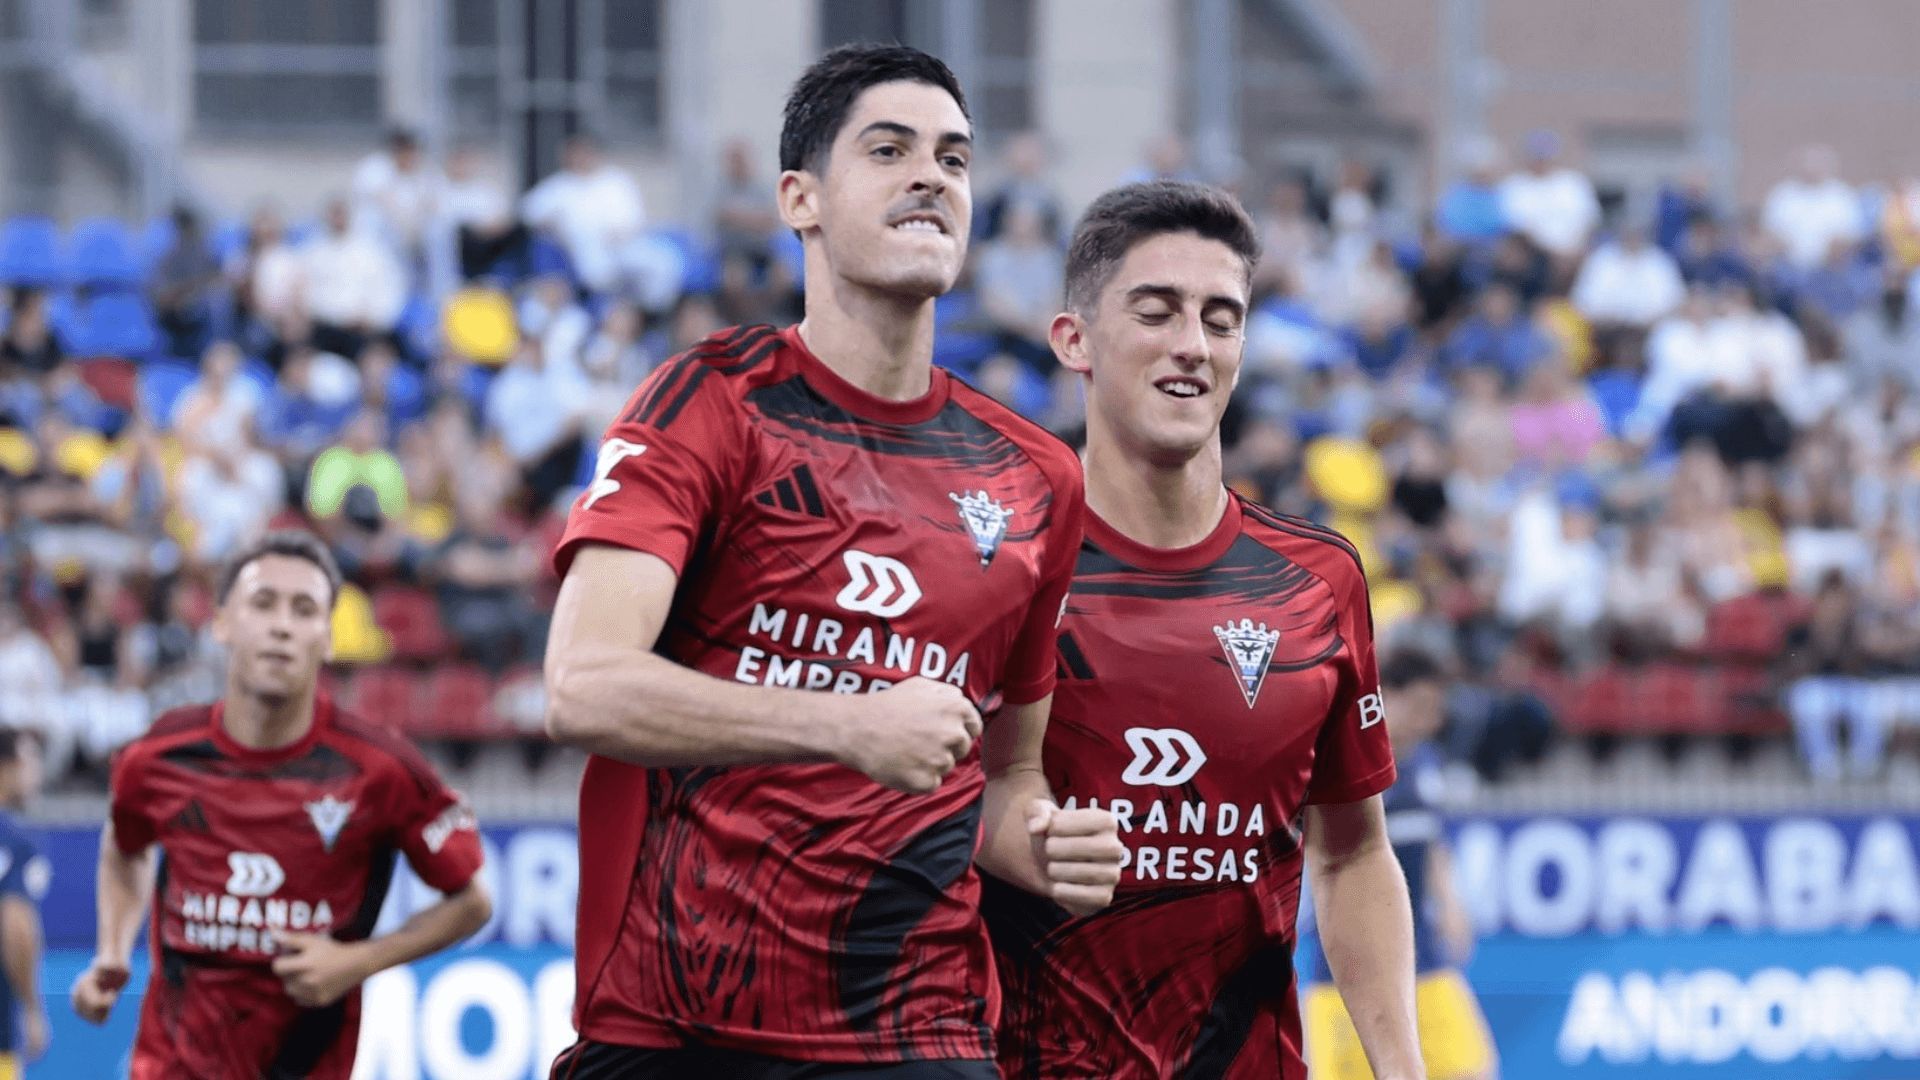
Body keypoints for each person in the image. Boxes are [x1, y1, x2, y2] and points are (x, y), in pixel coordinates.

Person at [542, 43, 1122, 1079]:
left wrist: (1039, 841)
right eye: (890, 150)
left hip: (922, 1036)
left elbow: (1004, 772)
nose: (930, 178)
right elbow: (582, 685)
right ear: (799, 198)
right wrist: (846, 724)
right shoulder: (710, 401)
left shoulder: (1039, 477)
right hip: (681, 1035)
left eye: (954, 158)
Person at [982, 180, 1423, 1079]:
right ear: (1074, 340)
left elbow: (1354, 852)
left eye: (1222, 320)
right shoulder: (999, 561)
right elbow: (913, 811)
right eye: (1157, 312)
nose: (1193, 344)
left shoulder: (1319, 579)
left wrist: (1402, 1069)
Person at [70, 531, 491, 1078]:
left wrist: (356, 962)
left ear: (329, 638)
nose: (282, 625)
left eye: (305, 609)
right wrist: (112, 949)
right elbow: (125, 845)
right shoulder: (156, 758)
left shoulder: (381, 770)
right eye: (263, 603)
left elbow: (472, 901)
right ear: (222, 623)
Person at [1303, 651, 1498, 1080]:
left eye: (1436, 710)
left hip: (1425, 961)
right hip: (1344, 974)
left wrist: (1450, 903)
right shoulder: (1335, 761)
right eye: (1421, 706)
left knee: (1475, 1069)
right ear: (1384, 696)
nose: (1430, 721)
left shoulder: (1427, 762)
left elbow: (1432, 843)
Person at [0, 728, 50, 1074]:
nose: (37, 773)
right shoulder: (12, 840)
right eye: (31, 760)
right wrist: (33, 1008)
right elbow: (16, 925)